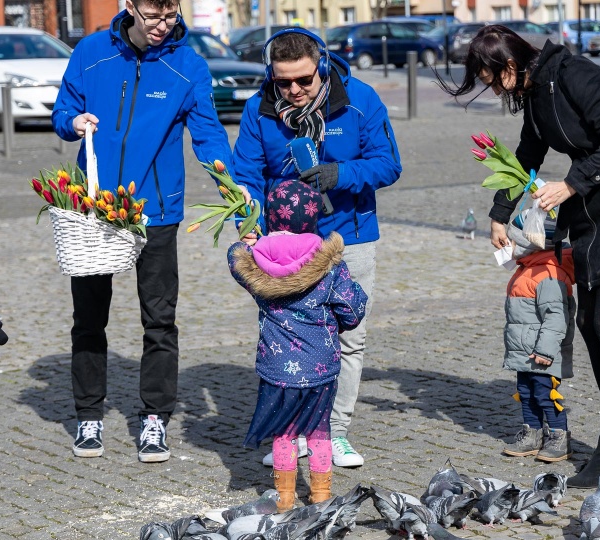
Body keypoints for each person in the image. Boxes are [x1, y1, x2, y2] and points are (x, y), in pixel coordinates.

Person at [440, 26, 600, 487]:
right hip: (595, 214)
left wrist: (572, 183)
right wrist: (500, 213)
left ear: (509, 64)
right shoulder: (536, 89)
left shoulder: (578, 76)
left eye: (491, 77)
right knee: (589, 322)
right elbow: (529, 152)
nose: (492, 87)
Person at [52, 0, 236, 463]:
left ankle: (155, 419)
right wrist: (73, 122)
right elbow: (63, 110)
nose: (162, 26)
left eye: (171, 16)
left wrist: (232, 186)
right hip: (96, 209)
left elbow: (209, 134)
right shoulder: (91, 52)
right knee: (89, 320)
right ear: (129, 7)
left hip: (156, 211)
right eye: (153, 16)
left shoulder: (188, 65)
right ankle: (88, 415)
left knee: (159, 320)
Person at [232, 27, 401, 468]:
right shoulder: (258, 109)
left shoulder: (360, 99)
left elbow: (388, 164)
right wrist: (246, 222)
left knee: (348, 337)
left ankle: (335, 431)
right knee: (286, 339)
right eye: (282, 81)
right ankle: (293, 431)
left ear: (321, 67)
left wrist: (339, 174)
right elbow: (246, 175)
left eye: (303, 81)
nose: (293, 90)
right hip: (284, 245)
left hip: (348, 236)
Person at [227, 180, 368, 511]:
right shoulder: (330, 264)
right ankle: (320, 495)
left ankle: (286, 499)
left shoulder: (255, 260)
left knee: (284, 434)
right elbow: (351, 309)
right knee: (319, 431)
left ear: (271, 217)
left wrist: (247, 239)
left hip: (276, 366)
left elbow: (234, 258)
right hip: (321, 363)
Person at [500, 214, 575, 463]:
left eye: (512, 240)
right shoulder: (528, 269)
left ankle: (558, 436)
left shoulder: (548, 275)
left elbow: (556, 318)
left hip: (543, 355)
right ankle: (531, 433)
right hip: (524, 352)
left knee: (546, 394)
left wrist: (545, 351)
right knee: (525, 392)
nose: (506, 245)